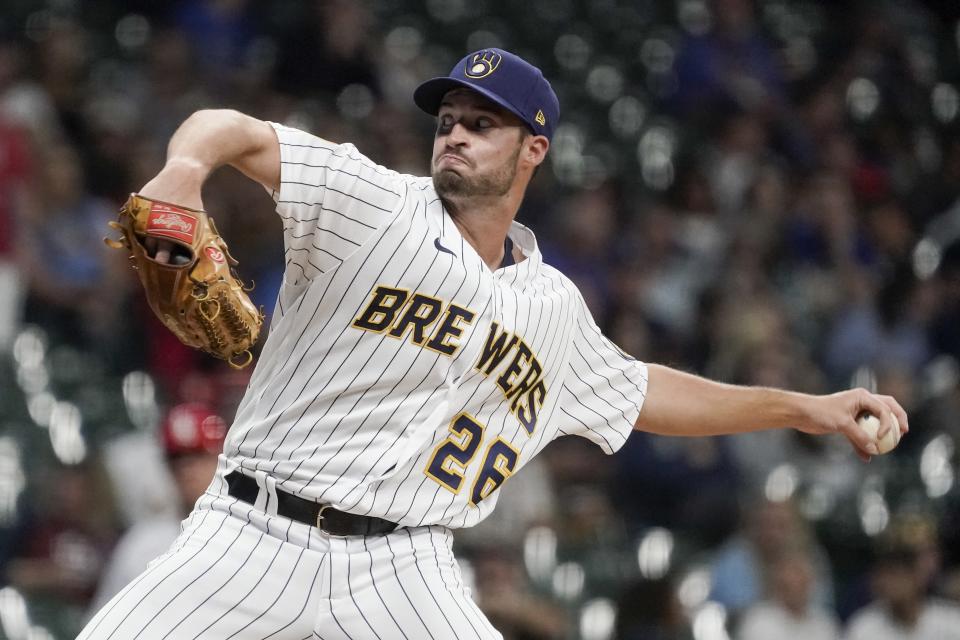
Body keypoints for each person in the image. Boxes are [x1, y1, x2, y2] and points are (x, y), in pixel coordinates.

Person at [80, 47, 908, 639]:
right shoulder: (373, 202)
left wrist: (808, 408)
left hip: (403, 569)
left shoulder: (551, 303)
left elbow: (644, 392)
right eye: (448, 120)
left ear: (533, 150)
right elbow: (229, 126)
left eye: (483, 123)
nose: (456, 134)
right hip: (253, 532)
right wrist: (185, 169)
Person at [86, 402, 227, 615]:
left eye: (199, 455)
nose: (186, 469)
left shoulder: (255, 535)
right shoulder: (141, 544)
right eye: (177, 458)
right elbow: (100, 624)